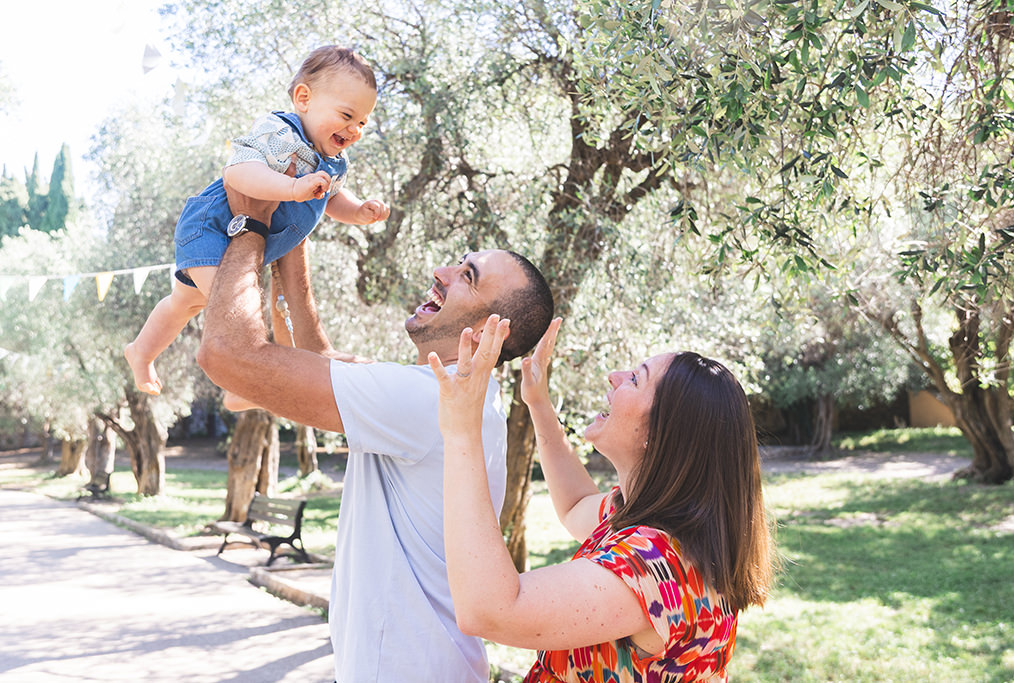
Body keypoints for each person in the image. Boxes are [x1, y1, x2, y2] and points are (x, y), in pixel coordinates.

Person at [195, 184, 555, 681]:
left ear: (492, 331)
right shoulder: (448, 395)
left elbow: (224, 354)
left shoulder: (427, 400)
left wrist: (252, 224)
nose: (442, 272)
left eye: (467, 277)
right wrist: (294, 221)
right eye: (459, 262)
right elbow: (319, 357)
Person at [429, 315, 777, 682]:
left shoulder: (655, 564)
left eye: (635, 379)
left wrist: (462, 431)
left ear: (660, 433)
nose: (614, 376)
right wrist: (538, 402)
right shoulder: (653, 522)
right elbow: (575, 505)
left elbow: (491, 611)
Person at [126, 45, 389, 401]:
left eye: (362, 122)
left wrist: (357, 211)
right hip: (211, 228)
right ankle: (243, 384)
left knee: (185, 302)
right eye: (347, 115)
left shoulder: (334, 162)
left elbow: (331, 199)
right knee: (233, 310)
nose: (354, 129)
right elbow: (238, 172)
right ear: (304, 98)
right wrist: (291, 188)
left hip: (241, 243)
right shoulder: (280, 133)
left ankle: (141, 352)